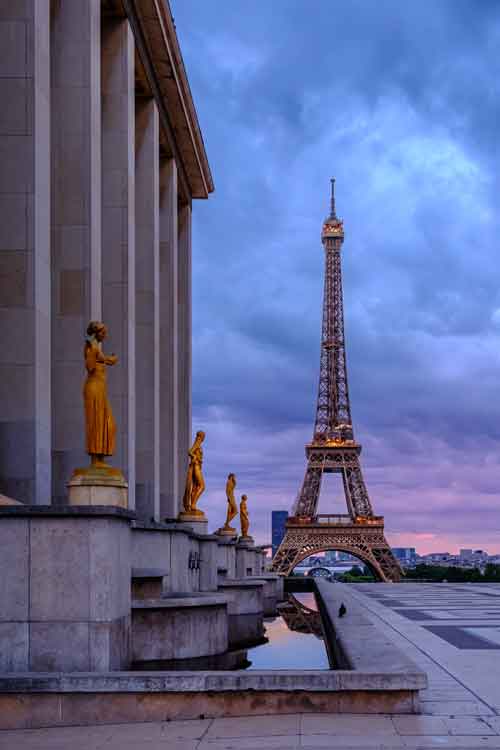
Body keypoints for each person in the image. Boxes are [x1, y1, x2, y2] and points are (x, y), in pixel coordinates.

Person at [83, 321, 117, 466]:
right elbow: (90, 367)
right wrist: (98, 356)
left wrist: (107, 359)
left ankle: (100, 457)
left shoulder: (96, 349)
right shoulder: (92, 347)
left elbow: (106, 360)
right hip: (94, 389)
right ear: (97, 333)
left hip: (100, 390)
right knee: (96, 422)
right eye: (103, 332)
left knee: (108, 424)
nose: (105, 335)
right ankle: (95, 459)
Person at [182, 431, 206, 514]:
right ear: (201, 436)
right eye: (203, 436)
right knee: (202, 486)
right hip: (196, 466)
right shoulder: (198, 442)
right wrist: (195, 457)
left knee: (195, 487)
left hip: (197, 466)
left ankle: (193, 505)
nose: (204, 438)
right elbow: (190, 451)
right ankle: (193, 504)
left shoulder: (198, 443)